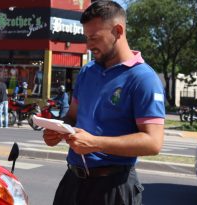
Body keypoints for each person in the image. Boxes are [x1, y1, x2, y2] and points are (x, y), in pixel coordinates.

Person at [42, 1, 165, 205]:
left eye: (94, 38)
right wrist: (58, 130)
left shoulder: (143, 78)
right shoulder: (87, 71)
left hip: (113, 188)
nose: (88, 45)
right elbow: (72, 117)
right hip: (72, 182)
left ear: (118, 31)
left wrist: (95, 144)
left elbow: (153, 143)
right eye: (86, 37)